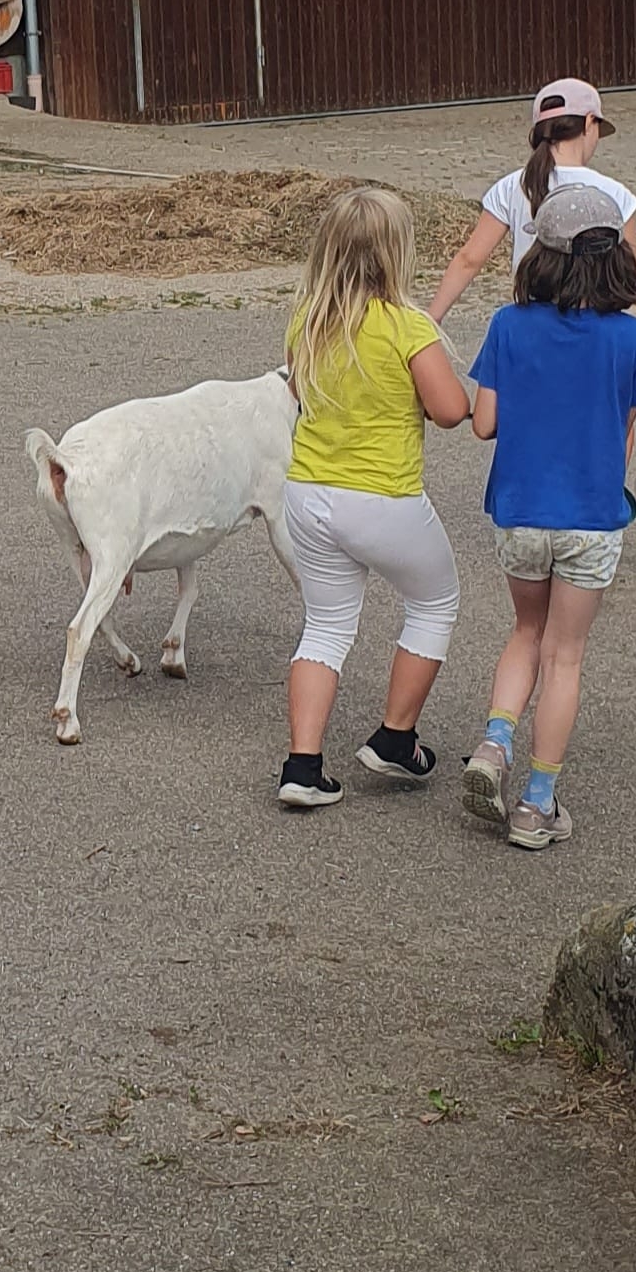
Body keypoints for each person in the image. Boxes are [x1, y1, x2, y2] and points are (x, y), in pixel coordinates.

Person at [462, 188, 636, 851]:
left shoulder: (507, 326)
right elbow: (624, 436)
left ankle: (494, 743)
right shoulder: (635, 340)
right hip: (592, 515)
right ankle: (536, 804)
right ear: (616, 261)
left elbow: (484, 423)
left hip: (520, 510)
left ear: (540, 257)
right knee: (565, 655)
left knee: (525, 629)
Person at [278, 188, 470, 810]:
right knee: (434, 601)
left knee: (326, 625)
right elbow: (450, 412)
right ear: (398, 254)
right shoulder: (409, 327)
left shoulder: (306, 318)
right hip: (382, 498)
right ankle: (395, 737)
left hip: (307, 495)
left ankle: (303, 766)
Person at [428, 78, 636, 374]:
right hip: (595, 334)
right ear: (589, 123)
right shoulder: (615, 194)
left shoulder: (511, 186)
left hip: (530, 329)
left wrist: (431, 320)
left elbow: (469, 260)